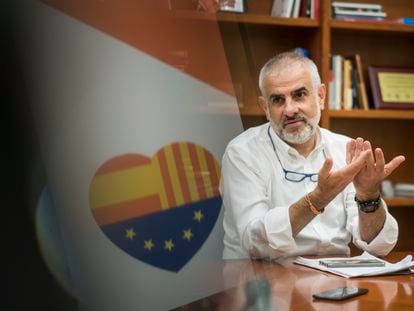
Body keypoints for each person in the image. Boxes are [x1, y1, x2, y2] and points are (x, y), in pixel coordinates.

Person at [221, 51, 405, 260]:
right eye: (278, 100)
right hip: (260, 279)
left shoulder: (344, 147)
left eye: (299, 95)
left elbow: (379, 246)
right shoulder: (242, 152)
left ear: (321, 96)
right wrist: (318, 199)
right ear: (265, 107)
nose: (290, 110)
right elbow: (254, 244)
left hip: (335, 280)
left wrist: (368, 195)